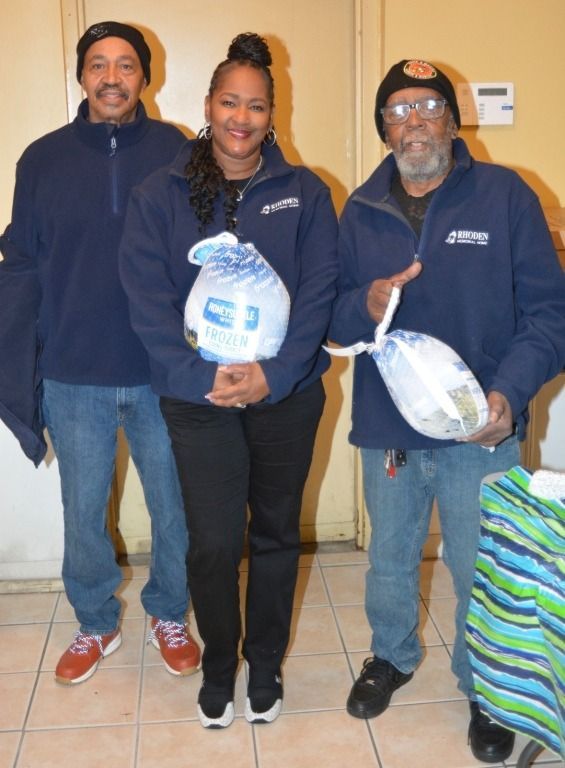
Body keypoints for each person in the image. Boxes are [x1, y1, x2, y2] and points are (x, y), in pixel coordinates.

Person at [329, 59, 565, 763]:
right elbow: (330, 317)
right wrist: (365, 302)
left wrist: (508, 393)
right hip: (389, 428)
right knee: (390, 557)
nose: (414, 122)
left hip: (481, 427)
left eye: (429, 107)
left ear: (452, 121)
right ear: (383, 128)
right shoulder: (359, 209)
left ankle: (484, 685)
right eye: (398, 110)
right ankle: (391, 655)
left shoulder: (505, 196)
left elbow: (549, 314)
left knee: (480, 564)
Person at [119, 33, 338, 729]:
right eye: (229, 102)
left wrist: (274, 374)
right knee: (213, 540)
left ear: (273, 115)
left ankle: (265, 664)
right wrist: (200, 376)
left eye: (256, 106)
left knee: (274, 533)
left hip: (286, 395)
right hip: (198, 398)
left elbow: (320, 292)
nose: (241, 118)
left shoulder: (304, 193)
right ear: (208, 105)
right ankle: (221, 664)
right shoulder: (160, 193)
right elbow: (146, 299)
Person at [0, 21, 200, 685]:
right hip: (73, 371)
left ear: (144, 76)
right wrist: (18, 357)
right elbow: (21, 260)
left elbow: (205, 253)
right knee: (83, 513)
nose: (111, 77)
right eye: (98, 65)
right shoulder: (41, 159)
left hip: (161, 371)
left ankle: (170, 612)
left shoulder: (177, 151)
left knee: (175, 507)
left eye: (125, 65)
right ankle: (95, 620)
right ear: (82, 76)